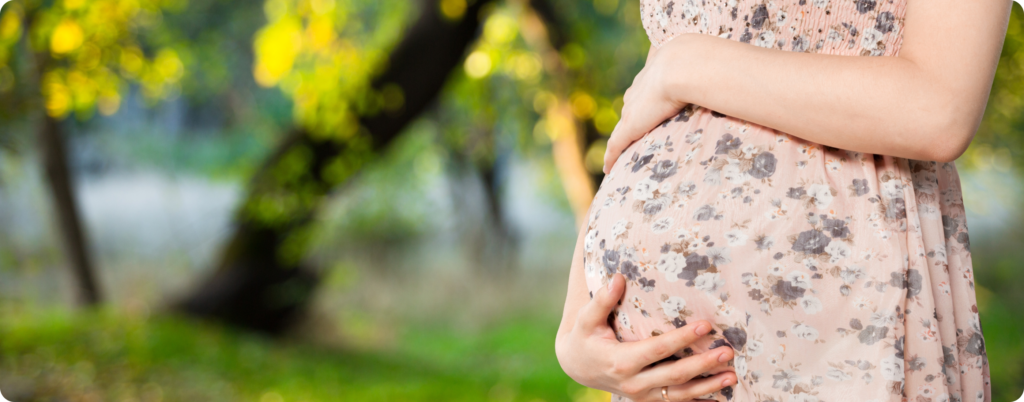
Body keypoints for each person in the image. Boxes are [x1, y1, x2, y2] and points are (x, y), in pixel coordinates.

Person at [554, 0, 1012, 399]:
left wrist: (686, 64)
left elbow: (938, 110)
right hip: (663, 380)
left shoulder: (686, 63)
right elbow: (647, 107)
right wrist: (576, 326)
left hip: (843, 338)